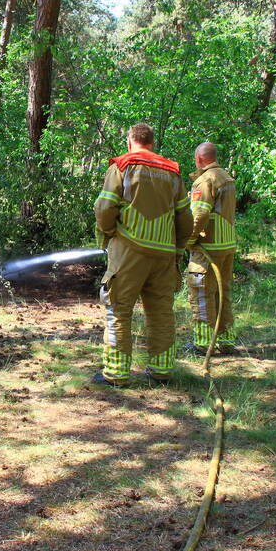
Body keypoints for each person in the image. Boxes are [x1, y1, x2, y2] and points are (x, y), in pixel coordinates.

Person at [93, 123, 192, 386]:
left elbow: (104, 208)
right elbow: (185, 218)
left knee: (119, 309)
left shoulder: (122, 166)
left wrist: (109, 230)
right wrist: (177, 251)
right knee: (161, 311)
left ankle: (116, 374)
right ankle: (161, 371)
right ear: (152, 142)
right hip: (164, 255)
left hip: (129, 251)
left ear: (130, 141)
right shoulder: (172, 173)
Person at [181, 142, 238, 357]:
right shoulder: (226, 177)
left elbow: (200, 214)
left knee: (201, 291)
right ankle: (225, 340)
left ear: (198, 159)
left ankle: (204, 344)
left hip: (208, 247)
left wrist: (189, 239)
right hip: (226, 246)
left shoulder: (206, 180)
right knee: (222, 294)